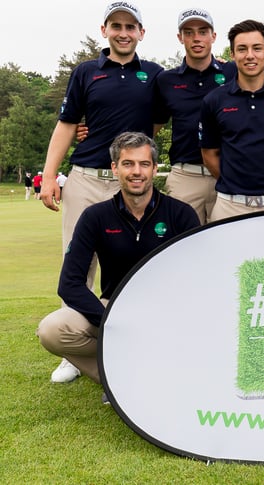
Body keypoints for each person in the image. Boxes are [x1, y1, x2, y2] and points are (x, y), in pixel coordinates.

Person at [39, 1, 162, 383]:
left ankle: (146, 338)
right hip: (89, 177)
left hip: (134, 180)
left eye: (131, 26)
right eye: (116, 25)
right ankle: (74, 352)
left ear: (142, 32)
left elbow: (156, 126)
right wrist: (48, 175)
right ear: (104, 30)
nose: (123, 32)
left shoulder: (154, 75)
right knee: (78, 262)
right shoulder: (86, 72)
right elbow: (66, 124)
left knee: (144, 256)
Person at [36, 132, 199, 397]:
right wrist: (114, 321)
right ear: (114, 168)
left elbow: (197, 278)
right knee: (51, 330)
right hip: (112, 307)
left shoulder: (181, 214)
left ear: (155, 168)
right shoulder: (95, 216)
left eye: (144, 164)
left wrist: (166, 318)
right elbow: (69, 284)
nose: (137, 172)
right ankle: (119, 380)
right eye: (128, 164)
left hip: (167, 312)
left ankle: (160, 371)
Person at [200, 19, 264, 221]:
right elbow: (209, 153)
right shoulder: (214, 100)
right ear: (232, 54)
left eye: (257, 48)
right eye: (242, 49)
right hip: (229, 206)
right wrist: (232, 182)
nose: (250, 55)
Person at [153, 8, 236, 225]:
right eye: (188, 32)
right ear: (180, 38)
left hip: (229, 174)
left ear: (213, 36)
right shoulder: (166, 80)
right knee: (183, 250)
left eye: (202, 31)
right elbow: (151, 126)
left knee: (230, 248)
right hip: (186, 177)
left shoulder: (233, 72)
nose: (196, 38)